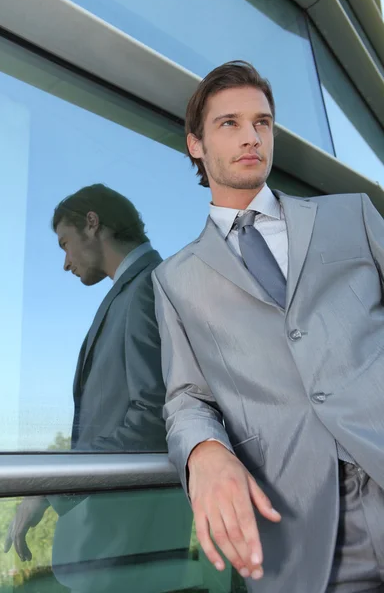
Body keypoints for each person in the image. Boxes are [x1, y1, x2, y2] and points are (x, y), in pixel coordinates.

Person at [152, 60, 384, 593]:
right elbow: (186, 396)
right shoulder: (175, 279)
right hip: (303, 525)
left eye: (262, 122)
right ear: (196, 145)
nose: (252, 135)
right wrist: (203, 453)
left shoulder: (353, 215)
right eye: (229, 123)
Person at [5, 185, 184, 589]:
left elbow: (152, 418)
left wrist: (51, 489)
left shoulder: (147, 289)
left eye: (65, 244)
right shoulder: (137, 289)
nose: (66, 263)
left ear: (92, 223)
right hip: (119, 546)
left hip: (125, 549)